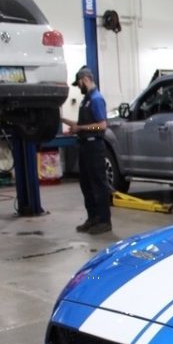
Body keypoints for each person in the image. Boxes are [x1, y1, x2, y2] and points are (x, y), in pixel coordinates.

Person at [62, 66, 111, 235]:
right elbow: (82, 125)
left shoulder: (96, 99)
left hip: (95, 146)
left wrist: (80, 128)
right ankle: (93, 218)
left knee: (98, 184)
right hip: (85, 145)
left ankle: (104, 221)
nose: (78, 87)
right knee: (86, 185)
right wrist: (66, 121)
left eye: (79, 84)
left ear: (85, 80)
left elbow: (102, 124)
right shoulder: (86, 100)